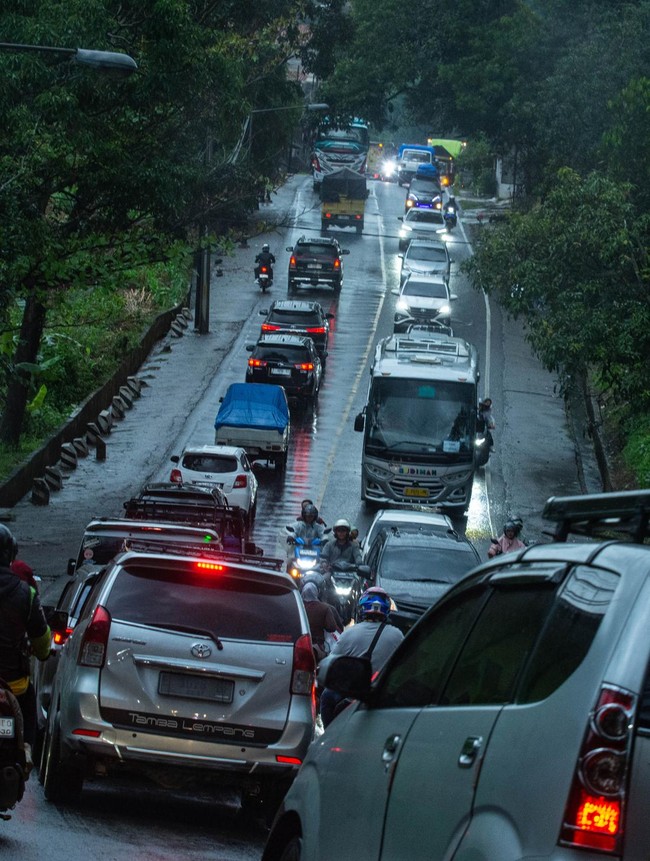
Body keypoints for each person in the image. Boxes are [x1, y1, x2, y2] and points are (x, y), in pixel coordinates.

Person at [0, 525, 51, 767]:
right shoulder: (26, 593)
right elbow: (42, 643)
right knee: (29, 702)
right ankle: (26, 751)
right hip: (14, 686)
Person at [319, 587, 404, 727]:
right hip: (384, 694)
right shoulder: (397, 635)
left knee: (326, 697)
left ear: (362, 608)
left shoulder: (349, 634)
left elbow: (331, 663)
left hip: (352, 693)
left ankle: (329, 735)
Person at [301, 581, 343, 662]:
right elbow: (331, 627)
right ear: (317, 592)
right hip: (318, 646)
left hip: (299, 645)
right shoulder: (325, 608)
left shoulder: (298, 606)